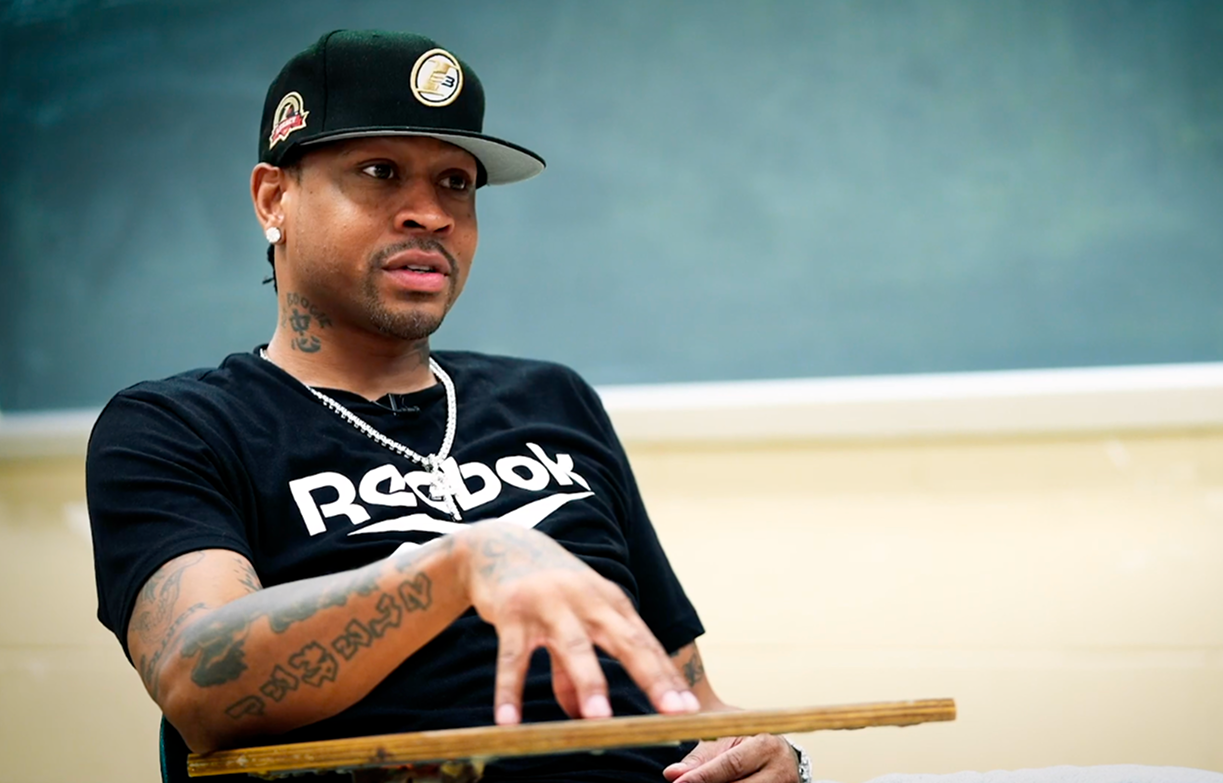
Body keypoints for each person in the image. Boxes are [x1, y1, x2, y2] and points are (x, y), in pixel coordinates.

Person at [85, 29, 808, 783]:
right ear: (275, 198)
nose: (429, 214)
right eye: (379, 171)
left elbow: (688, 702)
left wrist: (765, 754)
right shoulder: (176, 427)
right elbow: (199, 679)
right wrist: (459, 563)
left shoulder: (552, 398)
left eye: (455, 184)